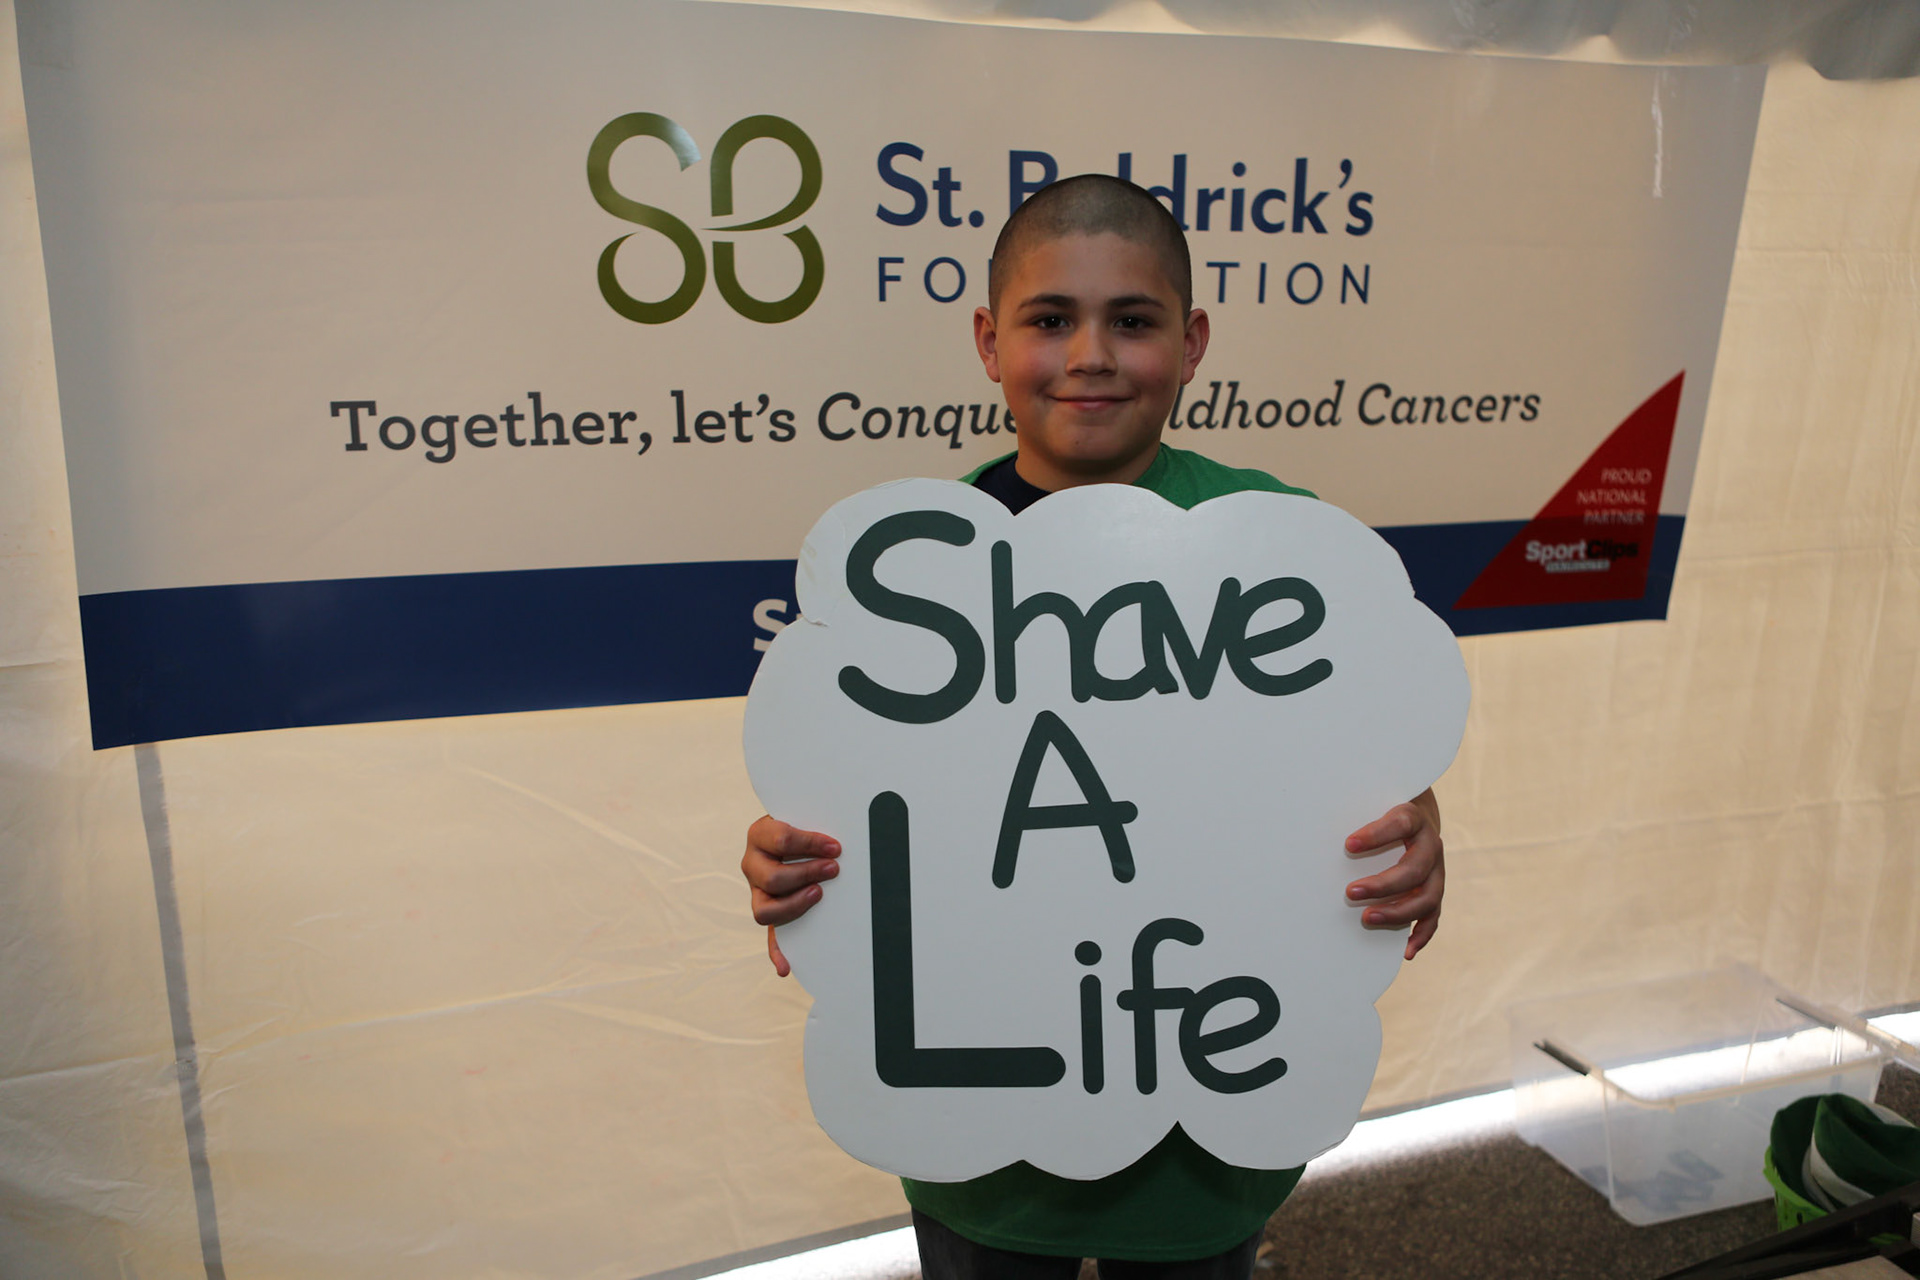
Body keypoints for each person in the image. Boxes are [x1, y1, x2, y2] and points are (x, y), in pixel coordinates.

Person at [740, 174, 1445, 1279]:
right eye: (1050, 319)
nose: (1091, 355)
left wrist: (1414, 823)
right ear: (989, 342)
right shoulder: (916, 573)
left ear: (1192, 342)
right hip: (978, 1133)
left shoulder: (1280, 548)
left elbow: (1357, 753)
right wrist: (798, 862)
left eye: (1133, 320)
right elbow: (860, 793)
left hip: (1204, 1126)